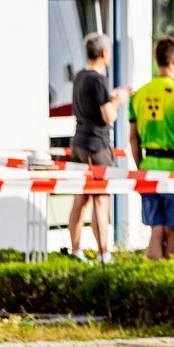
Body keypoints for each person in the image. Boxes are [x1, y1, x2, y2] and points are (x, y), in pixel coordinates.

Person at [129, 38, 174, 261]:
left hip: (149, 166)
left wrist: (140, 166)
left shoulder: (139, 94)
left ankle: (152, 282)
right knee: (173, 231)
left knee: (156, 229)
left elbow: (133, 138)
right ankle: (172, 282)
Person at [66, 33, 125, 261]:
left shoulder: (80, 76)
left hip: (78, 143)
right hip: (97, 146)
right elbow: (108, 116)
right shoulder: (99, 79)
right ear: (104, 53)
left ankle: (76, 250)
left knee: (80, 198)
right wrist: (117, 100)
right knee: (101, 198)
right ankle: (103, 254)